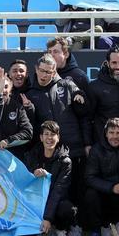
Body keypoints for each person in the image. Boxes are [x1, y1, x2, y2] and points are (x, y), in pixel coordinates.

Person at [26, 54, 91, 210]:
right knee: (56, 189)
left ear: (54, 71)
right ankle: (56, 223)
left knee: (77, 187)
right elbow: (30, 126)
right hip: (50, 152)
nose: (44, 75)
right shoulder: (31, 94)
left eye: (48, 72)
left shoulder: (67, 85)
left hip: (74, 148)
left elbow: (83, 111)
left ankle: (76, 225)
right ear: (36, 69)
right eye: (41, 70)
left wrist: (80, 97)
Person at [25, 121, 77, 234]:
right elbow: (24, 179)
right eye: (46, 134)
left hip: (55, 199)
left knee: (67, 209)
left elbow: (59, 190)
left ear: (58, 137)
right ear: (41, 137)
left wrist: (48, 218)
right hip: (35, 200)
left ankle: (61, 229)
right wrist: (33, 172)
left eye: (53, 134)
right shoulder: (32, 155)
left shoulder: (65, 161)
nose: (49, 137)